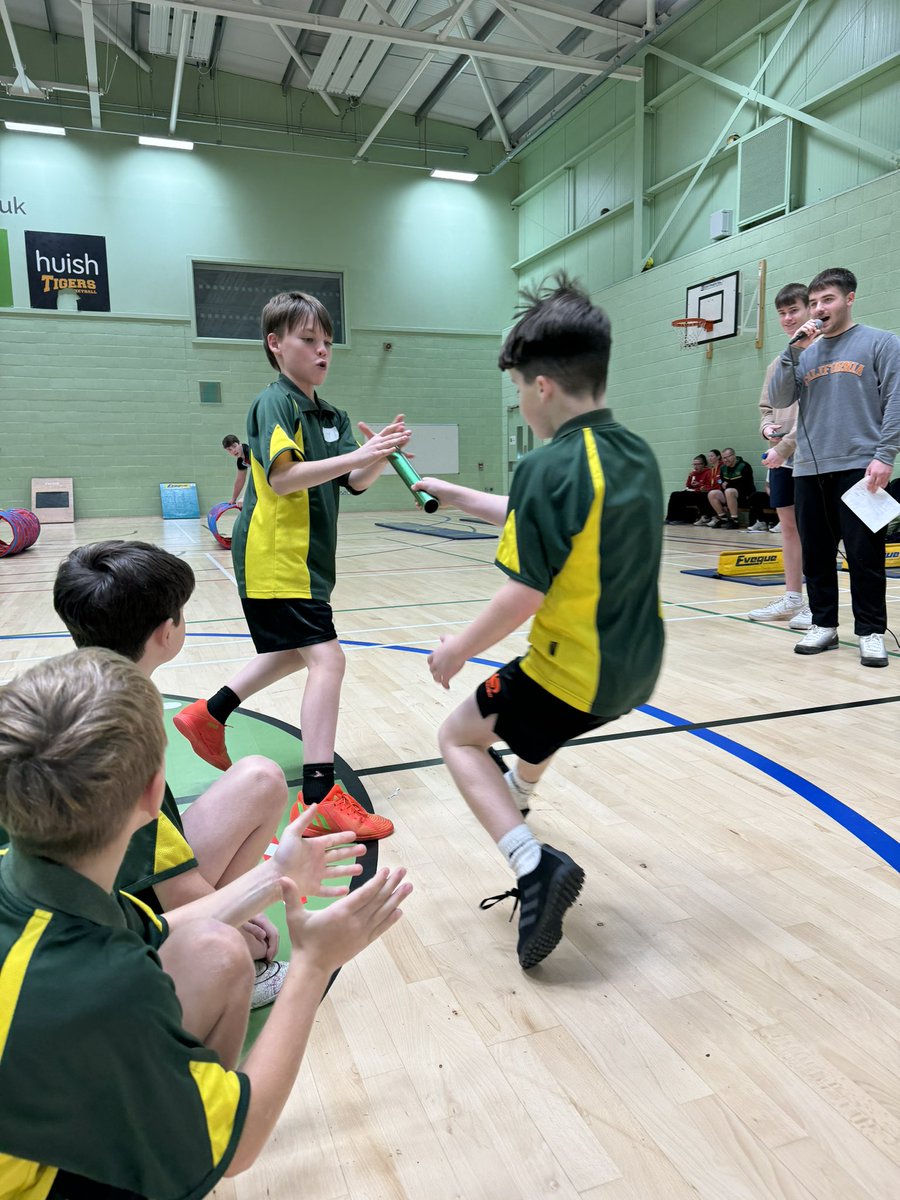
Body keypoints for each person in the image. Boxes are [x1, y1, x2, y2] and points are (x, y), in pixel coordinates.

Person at [0, 647, 410, 1199]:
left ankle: (179, 1115)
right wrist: (313, 964)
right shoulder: (102, 987)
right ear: (152, 794)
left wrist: (276, 875)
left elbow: (160, 931)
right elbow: (241, 1148)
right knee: (209, 1124)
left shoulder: (33, 879)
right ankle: (183, 1142)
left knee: (217, 948)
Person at [413, 276, 664, 971]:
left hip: (573, 674)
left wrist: (455, 651)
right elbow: (560, 513)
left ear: (543, 386)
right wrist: (460, 493)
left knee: (460, 736)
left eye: (520, 389)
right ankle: (519, 794)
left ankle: (532, 866)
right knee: (532, 722)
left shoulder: (547, 463)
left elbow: (524, 593)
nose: (521, 403)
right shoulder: (638, 454)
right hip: (637, 672)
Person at [175, 293, 410, 842]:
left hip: (309, 562)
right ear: (276, 345)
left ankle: (208, 714)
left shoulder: (334, 416)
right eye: (309, 340)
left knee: (291, 653)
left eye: (327, 341)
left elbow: (351, 483)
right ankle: (320, 793)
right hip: (275, 555)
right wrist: (357, 456)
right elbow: (284, 477)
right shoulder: (272, 404)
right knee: (327, 660)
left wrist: (376, 456)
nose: (322, 349)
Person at [52, 539, 290, 1008]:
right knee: (248, 951)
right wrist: (238, 919)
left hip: (66, 884)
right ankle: (179, 964)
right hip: (97, 920)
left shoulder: (65, 684)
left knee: (261, 778)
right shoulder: (125, 731)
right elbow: (173, 888)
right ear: (166, 632)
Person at [769, 266, 900, 665]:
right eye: (813, 302)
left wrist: (884, 455)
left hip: (860, 466)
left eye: (828, 300)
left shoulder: (881, 342)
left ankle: (871, 631)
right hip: (808, 468)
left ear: (849, 299)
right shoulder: (804, 351)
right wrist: (793, 349)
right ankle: (823, 624)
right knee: (817, 553)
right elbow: (779, 396)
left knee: (865, 555)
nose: (819, 308)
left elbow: (896, 399)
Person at [747, 283, 815, 627]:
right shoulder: (780, 361)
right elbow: (766, 406)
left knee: (814, 529)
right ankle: (792, 596)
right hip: (781, 457)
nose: (788, 319)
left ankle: (817, 603)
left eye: (794, 311)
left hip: (811, 455)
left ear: (810, 310)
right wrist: (768, 430)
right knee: (788, 527)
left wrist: (787, 441)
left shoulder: (823, 354)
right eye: (783, 314)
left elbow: (814, 413)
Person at [707, 447, 755, 528]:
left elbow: (744, 484)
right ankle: (723, 518)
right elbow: (722, 485)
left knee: (729, 491)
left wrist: (729, 484)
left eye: (727, 457)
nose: (725, 460)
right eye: (723, 458)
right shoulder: (723, 468)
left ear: (734, 456)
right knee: (712, 493)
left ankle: (735, 520)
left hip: (744, 495)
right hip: (728, 494)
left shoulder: (744, 466)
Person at [665, 454, 711, 524]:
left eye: (697, 464)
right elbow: (688, 486)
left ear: (703, 464)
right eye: (694, 464)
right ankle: (670, 518)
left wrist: (699, 485)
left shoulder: (708, 472)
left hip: (701, 494)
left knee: (678, 496)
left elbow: (708, 486)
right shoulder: (693, 473)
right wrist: (690, 477)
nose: (695, 466)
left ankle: (682, 519)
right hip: (692, 492)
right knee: (674, 495)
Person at [694, 449, 722, 525]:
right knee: (700, 494)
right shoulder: (711, 470)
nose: (709, 458)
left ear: (718, 457)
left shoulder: (722, 468)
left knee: (710, 494)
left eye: (712, 456)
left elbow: (719, 484)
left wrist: (708, 489)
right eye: (708, 456)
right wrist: (704, 487)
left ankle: (715, 517)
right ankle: (705, 517)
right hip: (712, 490)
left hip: (720, 492)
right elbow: (709, 484)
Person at [223, 433, 251, 507]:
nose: (233, 451)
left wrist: (244, 496)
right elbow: (240, 480)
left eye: (234, 446)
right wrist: (233, 499)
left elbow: (255, 476)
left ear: (240, 444)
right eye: (229, 450)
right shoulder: (240, 461)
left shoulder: (250, 451)